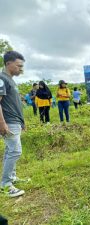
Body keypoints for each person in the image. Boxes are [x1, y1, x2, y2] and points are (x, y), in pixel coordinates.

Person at [0, 51, 26, 197]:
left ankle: (12, 177)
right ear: (8, 63)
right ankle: (6, 184)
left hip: (15, 121)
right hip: (8, 122)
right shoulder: (1, 78)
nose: (20, 69)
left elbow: (14, 103)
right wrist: (2, 123)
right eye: (18, 66)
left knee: (10, 151)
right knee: (15, 151)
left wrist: (22, 121)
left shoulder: (10, 79)